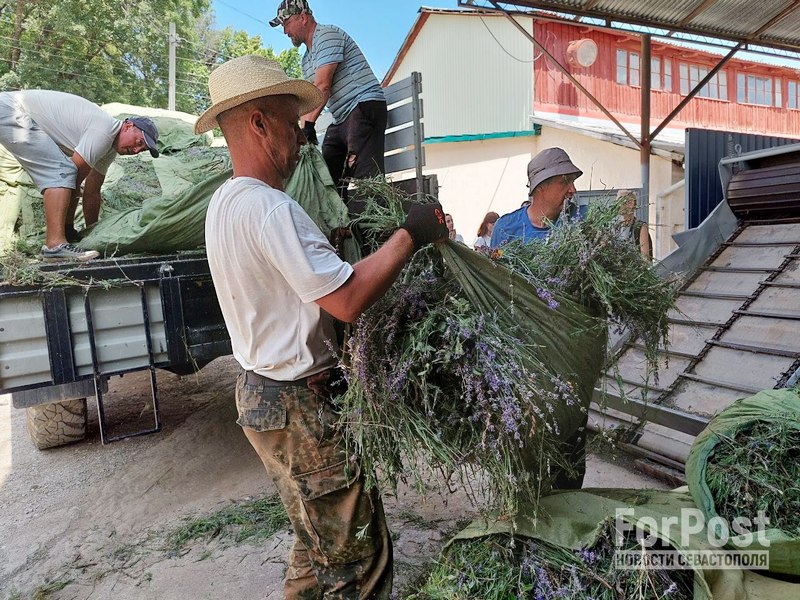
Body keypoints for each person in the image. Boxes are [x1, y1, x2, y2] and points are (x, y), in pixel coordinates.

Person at [195, 55, 448, 599]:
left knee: (314, 542)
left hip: (262, 398)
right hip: (297, 409)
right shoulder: (270, 209)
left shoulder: (224, 205)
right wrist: (411, 232)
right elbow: (350, 299)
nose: (301, 138)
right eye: (291, 124)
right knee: (358, 562)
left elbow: (286, 293)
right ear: (259, 123)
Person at [0, 90, 159, 261]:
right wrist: (68, 228)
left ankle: (58, 240)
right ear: (128, 126)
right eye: (139, 142)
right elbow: (73, 180)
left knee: (65, 171)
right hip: (12, 110)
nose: (136, 150)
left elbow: (92, 192)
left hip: (11, 111)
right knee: (63, 170)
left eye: (141, 149)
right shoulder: (105, 131)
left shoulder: (109, 150)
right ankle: (55, 246)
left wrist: (93, 233)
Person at [271, 0, 387, 200]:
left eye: (286, 23)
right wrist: (301, 132)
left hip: (363, 105)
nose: (285, 31)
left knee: (366, 177)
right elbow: (311, 99)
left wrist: (308, 125)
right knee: (328, 170)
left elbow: (323, 85)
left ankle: (378, 220)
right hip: (342, 117)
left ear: (302, 18)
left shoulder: (326, 35)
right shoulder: (306, 59)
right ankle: (338, 221)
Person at [491, 147, 582, 248]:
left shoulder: (584, 220)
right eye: (565, 182)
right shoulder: (505, 228)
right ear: (540, 186)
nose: (573, 190)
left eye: (573, 181)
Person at [617, 189, 653, 259]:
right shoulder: (616, 227)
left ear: (631, 203)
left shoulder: (640, 227)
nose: (617, 206)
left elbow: (645, 259)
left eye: (620, 202)